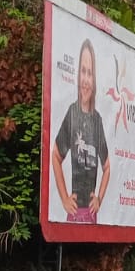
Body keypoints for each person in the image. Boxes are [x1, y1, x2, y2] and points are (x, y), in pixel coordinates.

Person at [52, 38, 111, 224]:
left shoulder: (97, 120)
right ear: (78, 75)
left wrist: (99, 198)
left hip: (92, 217)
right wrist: (64, 199)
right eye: (83, 71)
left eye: (90, 73)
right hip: (74, 214)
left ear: (95, 80)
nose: (86, 79)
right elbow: (55, 156)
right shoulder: (72, 113)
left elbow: (107, 166)